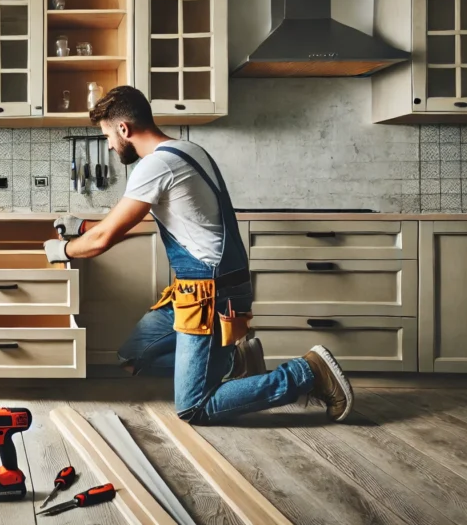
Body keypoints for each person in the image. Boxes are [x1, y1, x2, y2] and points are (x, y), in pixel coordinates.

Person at [43, 86, 353, 425]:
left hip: (211, 295)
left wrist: (62, 249)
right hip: (197, 290)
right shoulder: (187, 150)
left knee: (194, 407)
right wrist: (82, 224)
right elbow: (134, 221)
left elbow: (104, 239)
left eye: (107, 136)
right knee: (134, 357)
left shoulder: (156, 165)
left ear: (123, 129)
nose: (109, 146)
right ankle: (236, 362)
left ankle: (308, 373)